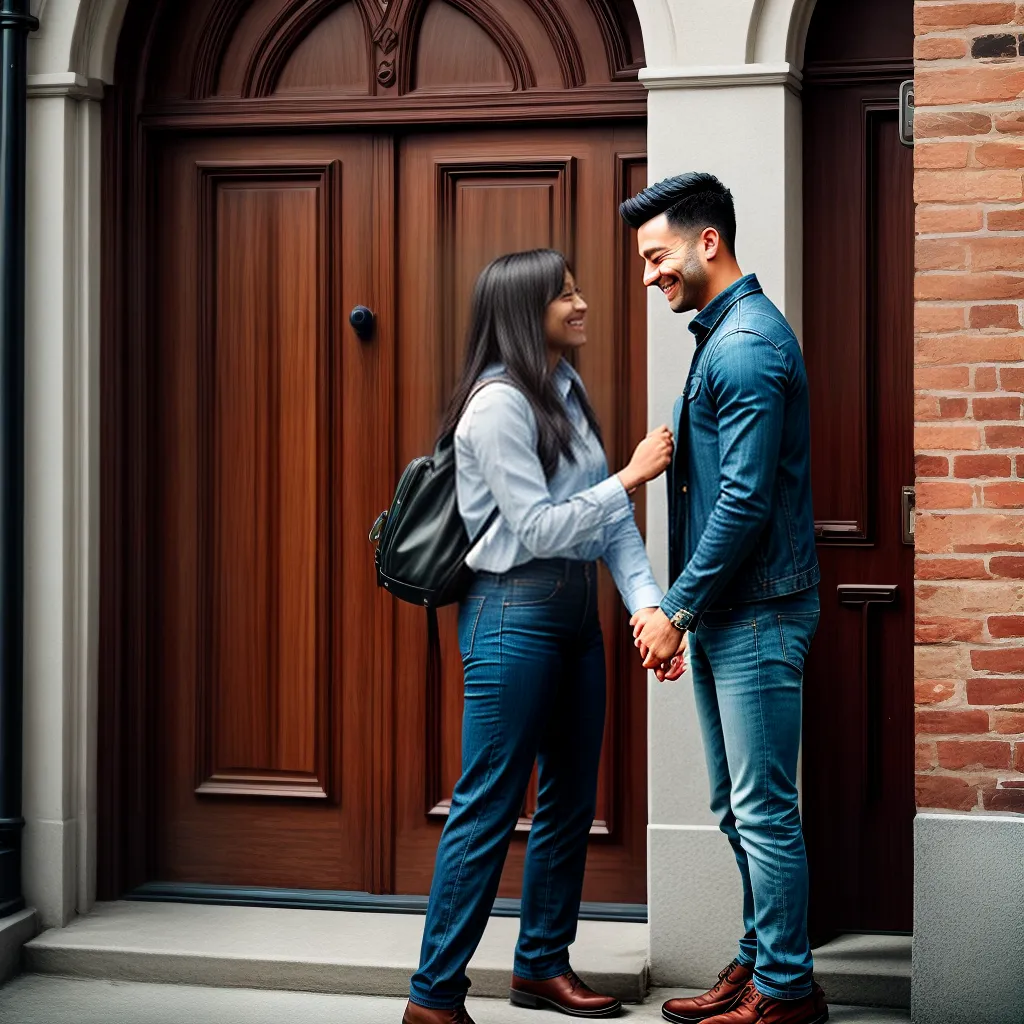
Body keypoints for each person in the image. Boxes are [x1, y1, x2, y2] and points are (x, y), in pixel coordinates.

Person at [404, 249, 676, 1024]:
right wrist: (628, 475)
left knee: (567, 801)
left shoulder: (564, 386)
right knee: (487, 805)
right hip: (509, 614)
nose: (582, 303)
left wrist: (647, 608)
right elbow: (538, 525)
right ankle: (433, 997)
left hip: (573, 615)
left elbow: (608, 523)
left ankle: (541, 967)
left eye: (577, 290)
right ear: (527, 312)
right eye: (565, 296)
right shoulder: (496, 406)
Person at [620, 175, 827, 1024]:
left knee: (763, 812)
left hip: (760, 614)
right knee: (738, 808)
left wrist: (675, 611)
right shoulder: (723, 334)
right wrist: (686, 611)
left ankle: (785, 990)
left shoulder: (742, 346)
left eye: (657, 256)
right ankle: (759, 960)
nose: (647, 276)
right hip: (734, 612)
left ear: (709, 242)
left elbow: (742, 501)